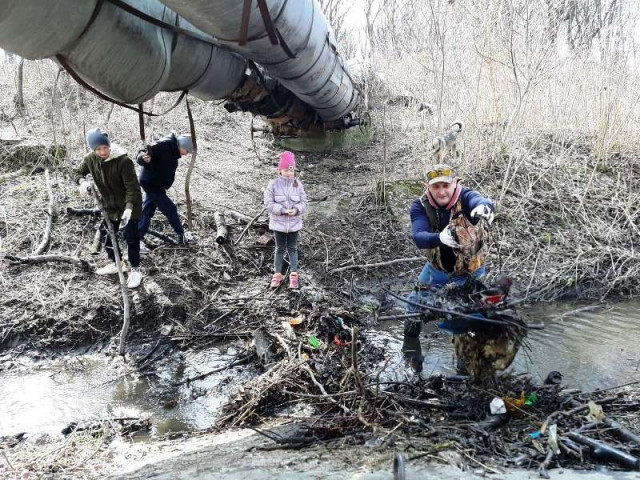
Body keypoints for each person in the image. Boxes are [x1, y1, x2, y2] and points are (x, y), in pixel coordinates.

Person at [75, 128, 143, 288]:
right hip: (110, 206)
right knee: (107, 234)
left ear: (109, 145)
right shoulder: (90, 159)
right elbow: (77, 172)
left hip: (130, 204)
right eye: (98, 149)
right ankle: (117, 264)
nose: (103, 151)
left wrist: (129, 208)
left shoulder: (123, 161)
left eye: (105, 147)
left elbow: (132, 187)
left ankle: (135, 270)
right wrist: (82, 182)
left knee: (131, 236)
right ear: (93, 149)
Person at [410, 163, 495, 288]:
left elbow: (477, 200)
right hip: (437, 269)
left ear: (455, 183)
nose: (441, 192)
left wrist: (486, 205)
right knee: (416, 299)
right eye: (435, 186)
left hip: (473, 270)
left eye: (446, 185)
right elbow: (418, 237)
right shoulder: (420, 206)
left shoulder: (465, 196)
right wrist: (440, 238)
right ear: (427, 186)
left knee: (475, 298)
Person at [136, 133, 195, 245]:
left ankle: (137, 238)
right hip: (150, 183)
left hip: (157, 184)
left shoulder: (173, 150)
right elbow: (143, 151)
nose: (187, 154)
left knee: (148, 210)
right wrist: (143, 158)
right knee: (170, 208)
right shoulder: (164, 145)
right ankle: (181, 234)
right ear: (182, 146)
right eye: (187, 151)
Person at [263, 151, 308, 289]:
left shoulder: (298, 185)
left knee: (293, 249)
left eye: (291, 170)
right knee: (280, 249)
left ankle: (294, 275)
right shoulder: (273, 184)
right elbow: (268, 203)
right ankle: (277, 275)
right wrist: (282, 210)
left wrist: (297, 210)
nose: (289, 173)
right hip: (278, 225)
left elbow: (304, 202)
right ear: (280, 170)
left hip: (294, 225)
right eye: (286, 170)